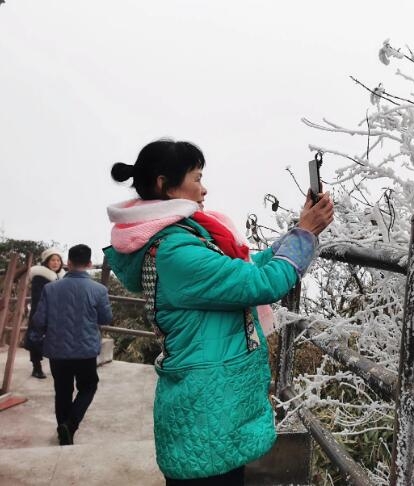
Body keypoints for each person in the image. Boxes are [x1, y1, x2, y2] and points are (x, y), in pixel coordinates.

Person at [104, 139, 333, 485]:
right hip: (206, 411)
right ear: (165, 185)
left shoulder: (178, 238)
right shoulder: (175, 251)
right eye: (196, 178)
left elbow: (243, 270)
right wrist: (304, 235)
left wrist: (299, 231)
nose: (204, 188)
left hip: (210, 406)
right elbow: (262, 284)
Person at [32, 244, 113, 446]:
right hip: (85, 351)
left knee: (62, 390)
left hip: (57, 351)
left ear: (67, 263)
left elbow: (39, 320)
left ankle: (64, 432)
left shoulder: (50, 289)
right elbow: (106, 318)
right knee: (88, 386)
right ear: (89, 263)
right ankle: (71, 424)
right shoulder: (99, 290)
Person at [25, 247, 65, 379]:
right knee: (36, 339)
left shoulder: (62, 277)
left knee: (56, 341)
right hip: (40, 312)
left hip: (57, 314)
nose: (56, 263)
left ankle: (58, 368)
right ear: (47, 261)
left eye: (58, 260)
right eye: (53, 260)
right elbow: (38, 297)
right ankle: (36, 368)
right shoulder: (40, 277)